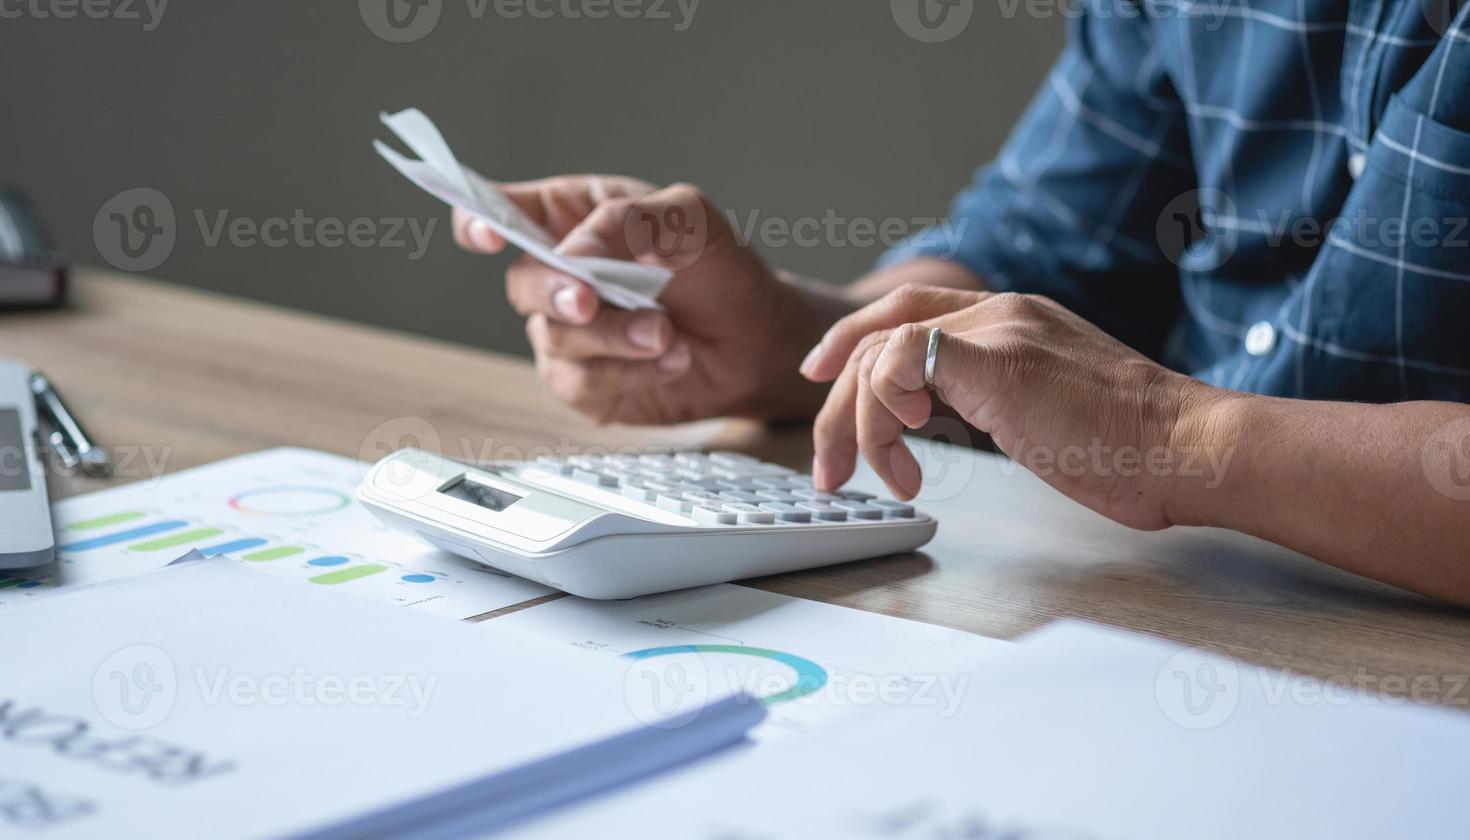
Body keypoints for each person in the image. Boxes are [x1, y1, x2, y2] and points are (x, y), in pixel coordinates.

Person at [451, 2, 1470, 605]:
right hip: (1168, 613)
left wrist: (1178, 437)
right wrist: (793, 342)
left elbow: (1137, 411)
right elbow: (1048, 247)